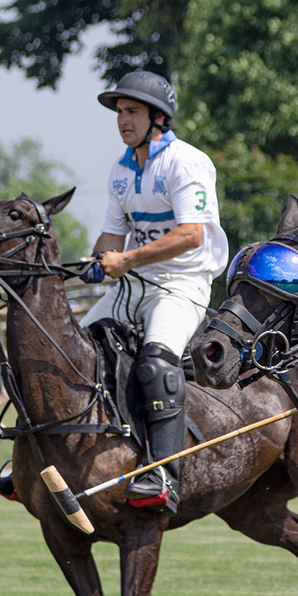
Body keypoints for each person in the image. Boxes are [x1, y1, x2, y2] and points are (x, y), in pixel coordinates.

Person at [72, 70, 229, 513]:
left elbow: (191, 235)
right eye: (120, 112)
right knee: (71, 351)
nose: (123, 120)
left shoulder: (186, 161)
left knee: (155, 364)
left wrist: (124, 262)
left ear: (158, 117)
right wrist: (97, 262)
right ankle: (36, 461)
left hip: (182, 284)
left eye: (132, 111)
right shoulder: (121, 171)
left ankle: (162, 473)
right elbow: (110, 237)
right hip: (134, 285)